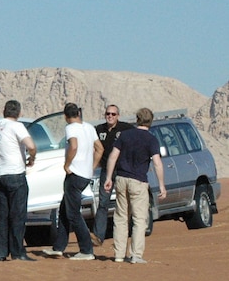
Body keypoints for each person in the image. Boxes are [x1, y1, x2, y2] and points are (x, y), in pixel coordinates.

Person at [104, 108, 166, 264]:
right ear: (150, 121)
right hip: (138, 182)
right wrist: (161, 185)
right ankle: (135, 254)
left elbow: (113, 157)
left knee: (121, 217)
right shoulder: (151, 139)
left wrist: (108, 177)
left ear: (137, 119)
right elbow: (157, 163)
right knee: (139, 219)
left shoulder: (125, 135)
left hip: (121, 179)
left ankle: (119, 255)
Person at [42, 103, 103, 260]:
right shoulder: (89, 127)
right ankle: (58, 247)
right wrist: (91, 167)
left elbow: (73, 146)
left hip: (74, 174)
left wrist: (67, 164)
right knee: (64, 209)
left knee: (73, 214)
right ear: (78, 113)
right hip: (85, 174)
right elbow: (100, 149)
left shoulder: (70, 128)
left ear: (65, 116)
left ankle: (86, 249)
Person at [0, 100, 37, 262]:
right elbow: (31, 146)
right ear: (18, 113)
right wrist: (31, 158)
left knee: (2, 214)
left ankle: (1, 252)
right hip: (15, 173)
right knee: (17, 214)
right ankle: (18, 252)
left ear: (4, 111)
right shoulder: (16, 126)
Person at [91, 104, 133, 245]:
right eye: (108, 113)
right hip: (105, 172)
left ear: (118, 116)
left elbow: (138, 140)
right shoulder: (99, 130)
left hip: (122, 171)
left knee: (123, 203)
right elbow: (93, 149)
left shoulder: (126, 129)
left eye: (113, 114)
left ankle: (124, 235)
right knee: (103, 203)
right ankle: (98, 236)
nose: (110, 116)